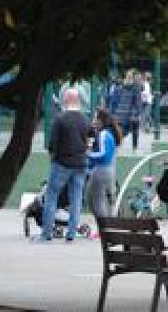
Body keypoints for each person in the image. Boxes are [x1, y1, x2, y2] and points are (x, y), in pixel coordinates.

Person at [35, 88, 91, 242]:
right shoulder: (86, 120)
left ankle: (46, 233)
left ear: (66, 100)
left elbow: (52, 143)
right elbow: (91, 141)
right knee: (76, 198)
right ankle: (71, 234)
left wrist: (53, 156)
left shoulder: (60, 119)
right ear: (78, 100)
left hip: (62, 163)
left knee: (52, 195)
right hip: (81, 163)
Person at [86, 108, 122, 235]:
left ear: (101, 121)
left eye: (95, 118)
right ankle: (104, 229)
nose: (93, 121)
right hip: (106, 171)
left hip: (101, 170)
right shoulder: (108, 134)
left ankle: (104, 230)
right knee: (93, 199)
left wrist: (88, 154)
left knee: (97, 201)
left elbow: (104, 154)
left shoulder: (103, 134)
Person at [110, 70, 143, 151]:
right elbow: (137, 102)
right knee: (133, 131)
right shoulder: (136, 88)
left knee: (120, 132)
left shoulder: (120, 86)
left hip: (119, 113)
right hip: (130, 114)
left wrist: (112, 113)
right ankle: (134, 148)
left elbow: (114, 101)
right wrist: (137, 113)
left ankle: (116, 146)